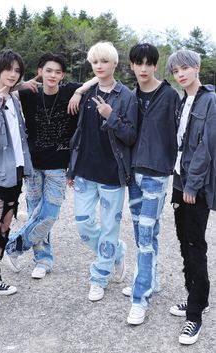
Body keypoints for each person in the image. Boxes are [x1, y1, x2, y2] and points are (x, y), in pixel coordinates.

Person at [5, 52, 97, 279]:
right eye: (48, 71)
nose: (52, 75)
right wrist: (19, 85)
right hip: (33, 165)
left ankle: (14, 245)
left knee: (49, 214)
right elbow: (0, 90)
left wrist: (78, 91)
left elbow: (98, 77)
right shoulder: (28, 92)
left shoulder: (69, 92)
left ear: (63, 75)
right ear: (40, 72)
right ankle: (43, 260)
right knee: (36, 211)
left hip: (58, 165)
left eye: (57, 72)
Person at [67, 41, 138, 302]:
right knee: (84, 224)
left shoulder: (127, 96)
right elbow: (80, 134)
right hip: (85, 170)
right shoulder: (85, 93)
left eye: (104, 62)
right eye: (95, 62)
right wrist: (71, 168)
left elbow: (130, 135)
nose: (99, 66)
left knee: (109, 228)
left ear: (114, 64)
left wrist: (111, 117)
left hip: (111, 174)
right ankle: (116, 252)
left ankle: (99, 276)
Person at [123, 43, 180, 325]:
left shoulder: (170, 95)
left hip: (157, 174)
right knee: (143, 235)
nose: (143, 68)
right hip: (133, 175)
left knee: (145, 237)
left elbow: (181, 134)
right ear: (132, 65)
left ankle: (139, 298)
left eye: (148, 63)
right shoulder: (130, 96)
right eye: (138, 63)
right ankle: (150, 280)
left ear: (155, 65)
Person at [166, 49, 216, 345]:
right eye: (175, 71)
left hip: (194, 184)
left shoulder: (210, 101)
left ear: (197, 67)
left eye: (185, 68)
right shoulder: (184, 100)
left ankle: (194, 316)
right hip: (179, 180)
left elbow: (205, 150)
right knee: (185, 241)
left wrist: (192, 186)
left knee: (195, 244)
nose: (181, 74)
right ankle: (197, 295)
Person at [0, 49, 33, 319]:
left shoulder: (13, 98)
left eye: (17, 70)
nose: (13, 74)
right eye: (9, 69)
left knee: (3, 229)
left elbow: (19, 137)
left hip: (15, 174)